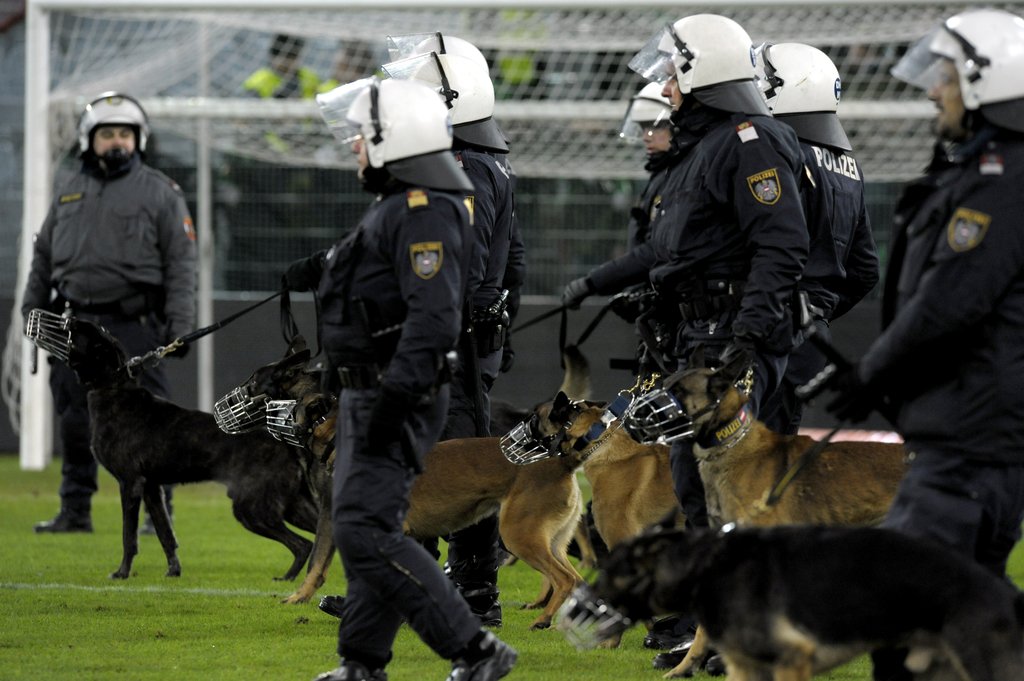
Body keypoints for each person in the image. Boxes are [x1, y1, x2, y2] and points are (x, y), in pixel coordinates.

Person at [826, 13, 1024, 679]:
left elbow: (950, 301)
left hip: (967, 442)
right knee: (967, 628)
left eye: (946, 76)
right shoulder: (990, 170)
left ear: (986, 84)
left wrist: (871, 373)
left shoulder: (1002, 180)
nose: (933, 90)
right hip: (973, 432)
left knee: (900, 611)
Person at [620, 16, 810, 673]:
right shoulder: (708, 145)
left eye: (675, 73)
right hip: (700, 335)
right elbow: (690, 248)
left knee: (731, 492)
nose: (667, 87)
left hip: (728, 340)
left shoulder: (749, 140)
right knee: (698, 486)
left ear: (705, 73)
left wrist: (745, 338)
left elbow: (782, 245)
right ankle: (723, 630)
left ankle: (751, 631)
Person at [310, 76, 517, 681]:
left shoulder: (426, 208)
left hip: (392, 391)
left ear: (392, 138)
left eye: (361, 135)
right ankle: (362, 662)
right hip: (374, 388)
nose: (354, 146)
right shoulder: (403, 203)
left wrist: (392, 400)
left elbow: (431, 319)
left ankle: (475, 650)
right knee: (368, 527)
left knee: (364, 529)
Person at [382, 33, 523, 627]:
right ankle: (426, 586)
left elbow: (462, 262)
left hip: (453, 343)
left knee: (461, 470)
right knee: (438, 463)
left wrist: (440, 328)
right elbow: (514, 260)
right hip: (467, 339)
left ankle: (473, 592)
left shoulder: (464, 166)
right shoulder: (490, 163)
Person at [22, 92, 197, 533]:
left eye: (124, 133)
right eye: (107, 134)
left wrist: (180, 324)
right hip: (74, 330)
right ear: (89, 140)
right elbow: (43, 257)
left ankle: (159, 515)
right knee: (74, 420)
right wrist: (31, 310)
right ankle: (74, 511)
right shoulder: (67, 191)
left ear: (139, 140)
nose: (116, 141)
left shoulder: (161, 192)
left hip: (133, 327)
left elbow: (182, 263)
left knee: (148, 427)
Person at [752, 42, 880, 434]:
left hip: (761, 332)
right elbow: (866, 270)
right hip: (806, 340)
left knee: (728, 460)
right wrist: (815, 311)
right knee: (774, 459)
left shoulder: (774, 152)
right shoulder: (849, 166)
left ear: (781, 88)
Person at [561, 81, 679, 376]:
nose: (647, 136)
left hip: (677, 320)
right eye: (644, 128)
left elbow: (657, 250)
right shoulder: (662, 174)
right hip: (662, 317)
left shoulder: (676, 177)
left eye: (656, 127)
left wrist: (594, 282)